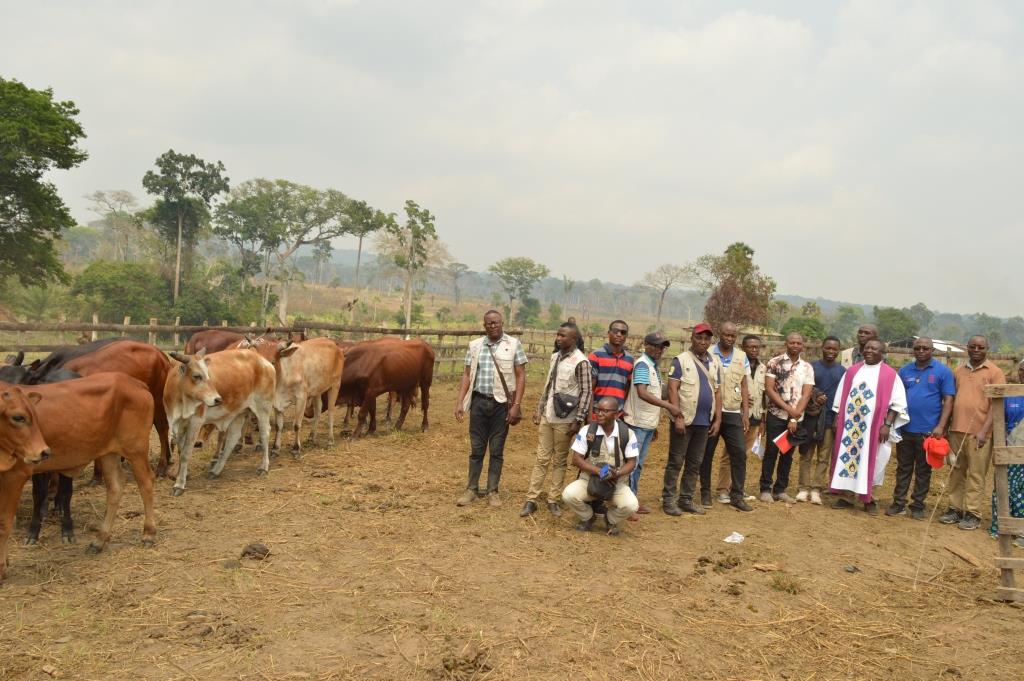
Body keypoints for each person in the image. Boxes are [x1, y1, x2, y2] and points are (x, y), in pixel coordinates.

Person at [454, 310, 528, 507]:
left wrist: (516, 405)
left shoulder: (513, 345)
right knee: (476, 448)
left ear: (502, 323)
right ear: (484, 325)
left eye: (496, 323)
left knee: (496, 449)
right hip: (478, 402)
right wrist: (460, 401)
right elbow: (467, 375)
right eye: (489, 323)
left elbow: (520, 376)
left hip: (502, 405)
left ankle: (493, 491)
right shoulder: (475, 345)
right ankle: (471, 489)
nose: (492, 326)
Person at [829, 340, 908, 515]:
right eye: (867, 348)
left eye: (874, 348)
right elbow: (840, 397)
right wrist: (837, 418)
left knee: (877, 461)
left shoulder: (890, 375)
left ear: (883, 352)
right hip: (851, 427)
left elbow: (897, 404)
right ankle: (847, 496)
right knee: (849, 458)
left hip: (876, 428)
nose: (869, 351)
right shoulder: (852, 371)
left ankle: (871, 499)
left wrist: (887, 425)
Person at [521, 324, 592, 518]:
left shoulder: (581, 362)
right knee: (541, 458)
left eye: (563, 335)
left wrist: (578, 420)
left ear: (573, 339)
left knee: (560, 460)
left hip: (566, 419)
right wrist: (539, 409)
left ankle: (553, 499)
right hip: (548, 415)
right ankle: (531, 499)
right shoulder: (555, 356)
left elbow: (586, 392)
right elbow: (548, 386)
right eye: (557, 334)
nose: (558, 338)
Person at [939, 335, 1005, 530]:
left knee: (976, 474)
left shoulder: (995, 372)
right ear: (967, 348)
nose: (976, 349)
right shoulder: (959, 370)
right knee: (956, 471)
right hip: (956, 430)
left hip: (980, 434)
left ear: (987, 349)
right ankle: (954, 508)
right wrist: (946, 428)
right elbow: (950, 401)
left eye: (981, 347)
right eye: (973, 346)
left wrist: (984, 431)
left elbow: (996, 405)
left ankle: (973, 513)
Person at [889, 338, 955, 520]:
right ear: (913, 351)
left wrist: (941, 426)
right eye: (917, 348)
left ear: (932, 350)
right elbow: (896, 398)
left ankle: (917, 505)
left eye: (925, 348)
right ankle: (898, 503)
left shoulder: (943, 372)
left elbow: (948, 400)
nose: (921, 351)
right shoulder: (904, 371)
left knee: (924, 470)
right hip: (905, 428)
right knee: (903, 468)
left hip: (929, 432)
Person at [662, 323, 722, 516]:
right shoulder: (680, 360)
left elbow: (718, 393)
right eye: (699, 337)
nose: (703, 342)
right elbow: (672, 389)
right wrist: (677, 416)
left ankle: (686, 499)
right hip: (685, 420)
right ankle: (669, 500)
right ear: (692, 339)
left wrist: (718, 419)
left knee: (695, 462)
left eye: (706, 338)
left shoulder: (714, 363)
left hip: (705, 422)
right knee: (676, 461)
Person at [562, 396, 640, 536]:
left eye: (605, 411)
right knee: (568, 495)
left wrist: (616, 474)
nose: (599, 413)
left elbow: (632, 462)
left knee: (631, 505)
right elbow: (576, 459)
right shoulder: (587, 431)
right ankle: (588, 517)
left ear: (616, 415)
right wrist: (600, 471)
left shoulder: (627, 434)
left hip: (616, 482)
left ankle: (610, 519)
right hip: (590, 480)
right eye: (598, 409)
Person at [622, 331, 680, 518]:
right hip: (637, 423)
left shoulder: (652, 366)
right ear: (646, 345)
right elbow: (643, 393)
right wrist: (669, 406)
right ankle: (627, 505)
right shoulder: (643, 365)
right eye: (655, 345)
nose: (659, 350)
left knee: (637, 464)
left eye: (662, 346)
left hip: (646, 424)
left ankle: (632, 500)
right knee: (632, 463)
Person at [699, 322, 753, 512]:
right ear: (719, 335)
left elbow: (745, 385)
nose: (729, 339)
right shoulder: (709, 353)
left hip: (732, 413)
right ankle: (705, 492)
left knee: (739, 454)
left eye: (733, 336)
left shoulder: (742, 356)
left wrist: (745, 413)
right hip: (712, 414)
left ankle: (736, 495)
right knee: (706, 454)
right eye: (726, 335)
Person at [760, 332, 815, 504]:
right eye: (792, 342)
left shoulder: (807, 368)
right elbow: (770, 389)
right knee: (771, 451)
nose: (795, 345)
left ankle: (780, 489)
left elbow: (806, 394)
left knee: (788, 453)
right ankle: (765, 488)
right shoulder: (774, 363)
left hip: (796, 418)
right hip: (776, 415)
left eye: (798, 343)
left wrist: (794, 417)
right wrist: (789, 410)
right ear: (786, 344)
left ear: (802, 345)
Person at [716, 334, 766, 504]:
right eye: (750, 347)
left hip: (755, 418)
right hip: (736, 415)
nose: (753, 350)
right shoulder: (735, 365)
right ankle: (723, 489)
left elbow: (764, 396)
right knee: (729, 453)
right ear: (742, 348)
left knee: (743, 455)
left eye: (756, 347)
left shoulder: (763, 369)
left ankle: (738, 488)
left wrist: (762, 421)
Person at [796, 336, 846, 505]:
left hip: (830, 419)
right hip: (810, 418)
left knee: (824, 456)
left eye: (834, 349)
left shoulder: (842, 371)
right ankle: (803, 487)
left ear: (838, 351)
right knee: (806, 454)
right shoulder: (811, 367)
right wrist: (814, 397)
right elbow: (802, 389)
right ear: (822, 348)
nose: (831, 352)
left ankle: (816, 488)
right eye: (828, 348)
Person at [989, 359, 1024, 548]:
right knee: (1003, 488)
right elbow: (999, 422)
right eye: (1022, 370)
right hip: (1010, 448)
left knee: (1021, 490)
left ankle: (1021, 530)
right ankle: (1001, 526)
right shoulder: (1010, 394)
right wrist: (998, 447)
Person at [588, 320, 635, 410]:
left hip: (617, 412)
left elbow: (627, 386)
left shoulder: (630, 359)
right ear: (609, 333)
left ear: (626, 336)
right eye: (615, 331)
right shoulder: (596, 355)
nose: (619, 334)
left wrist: (622, 408)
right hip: (598, 411)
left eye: (623, 332)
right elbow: (589, 388)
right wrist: (590, 415)